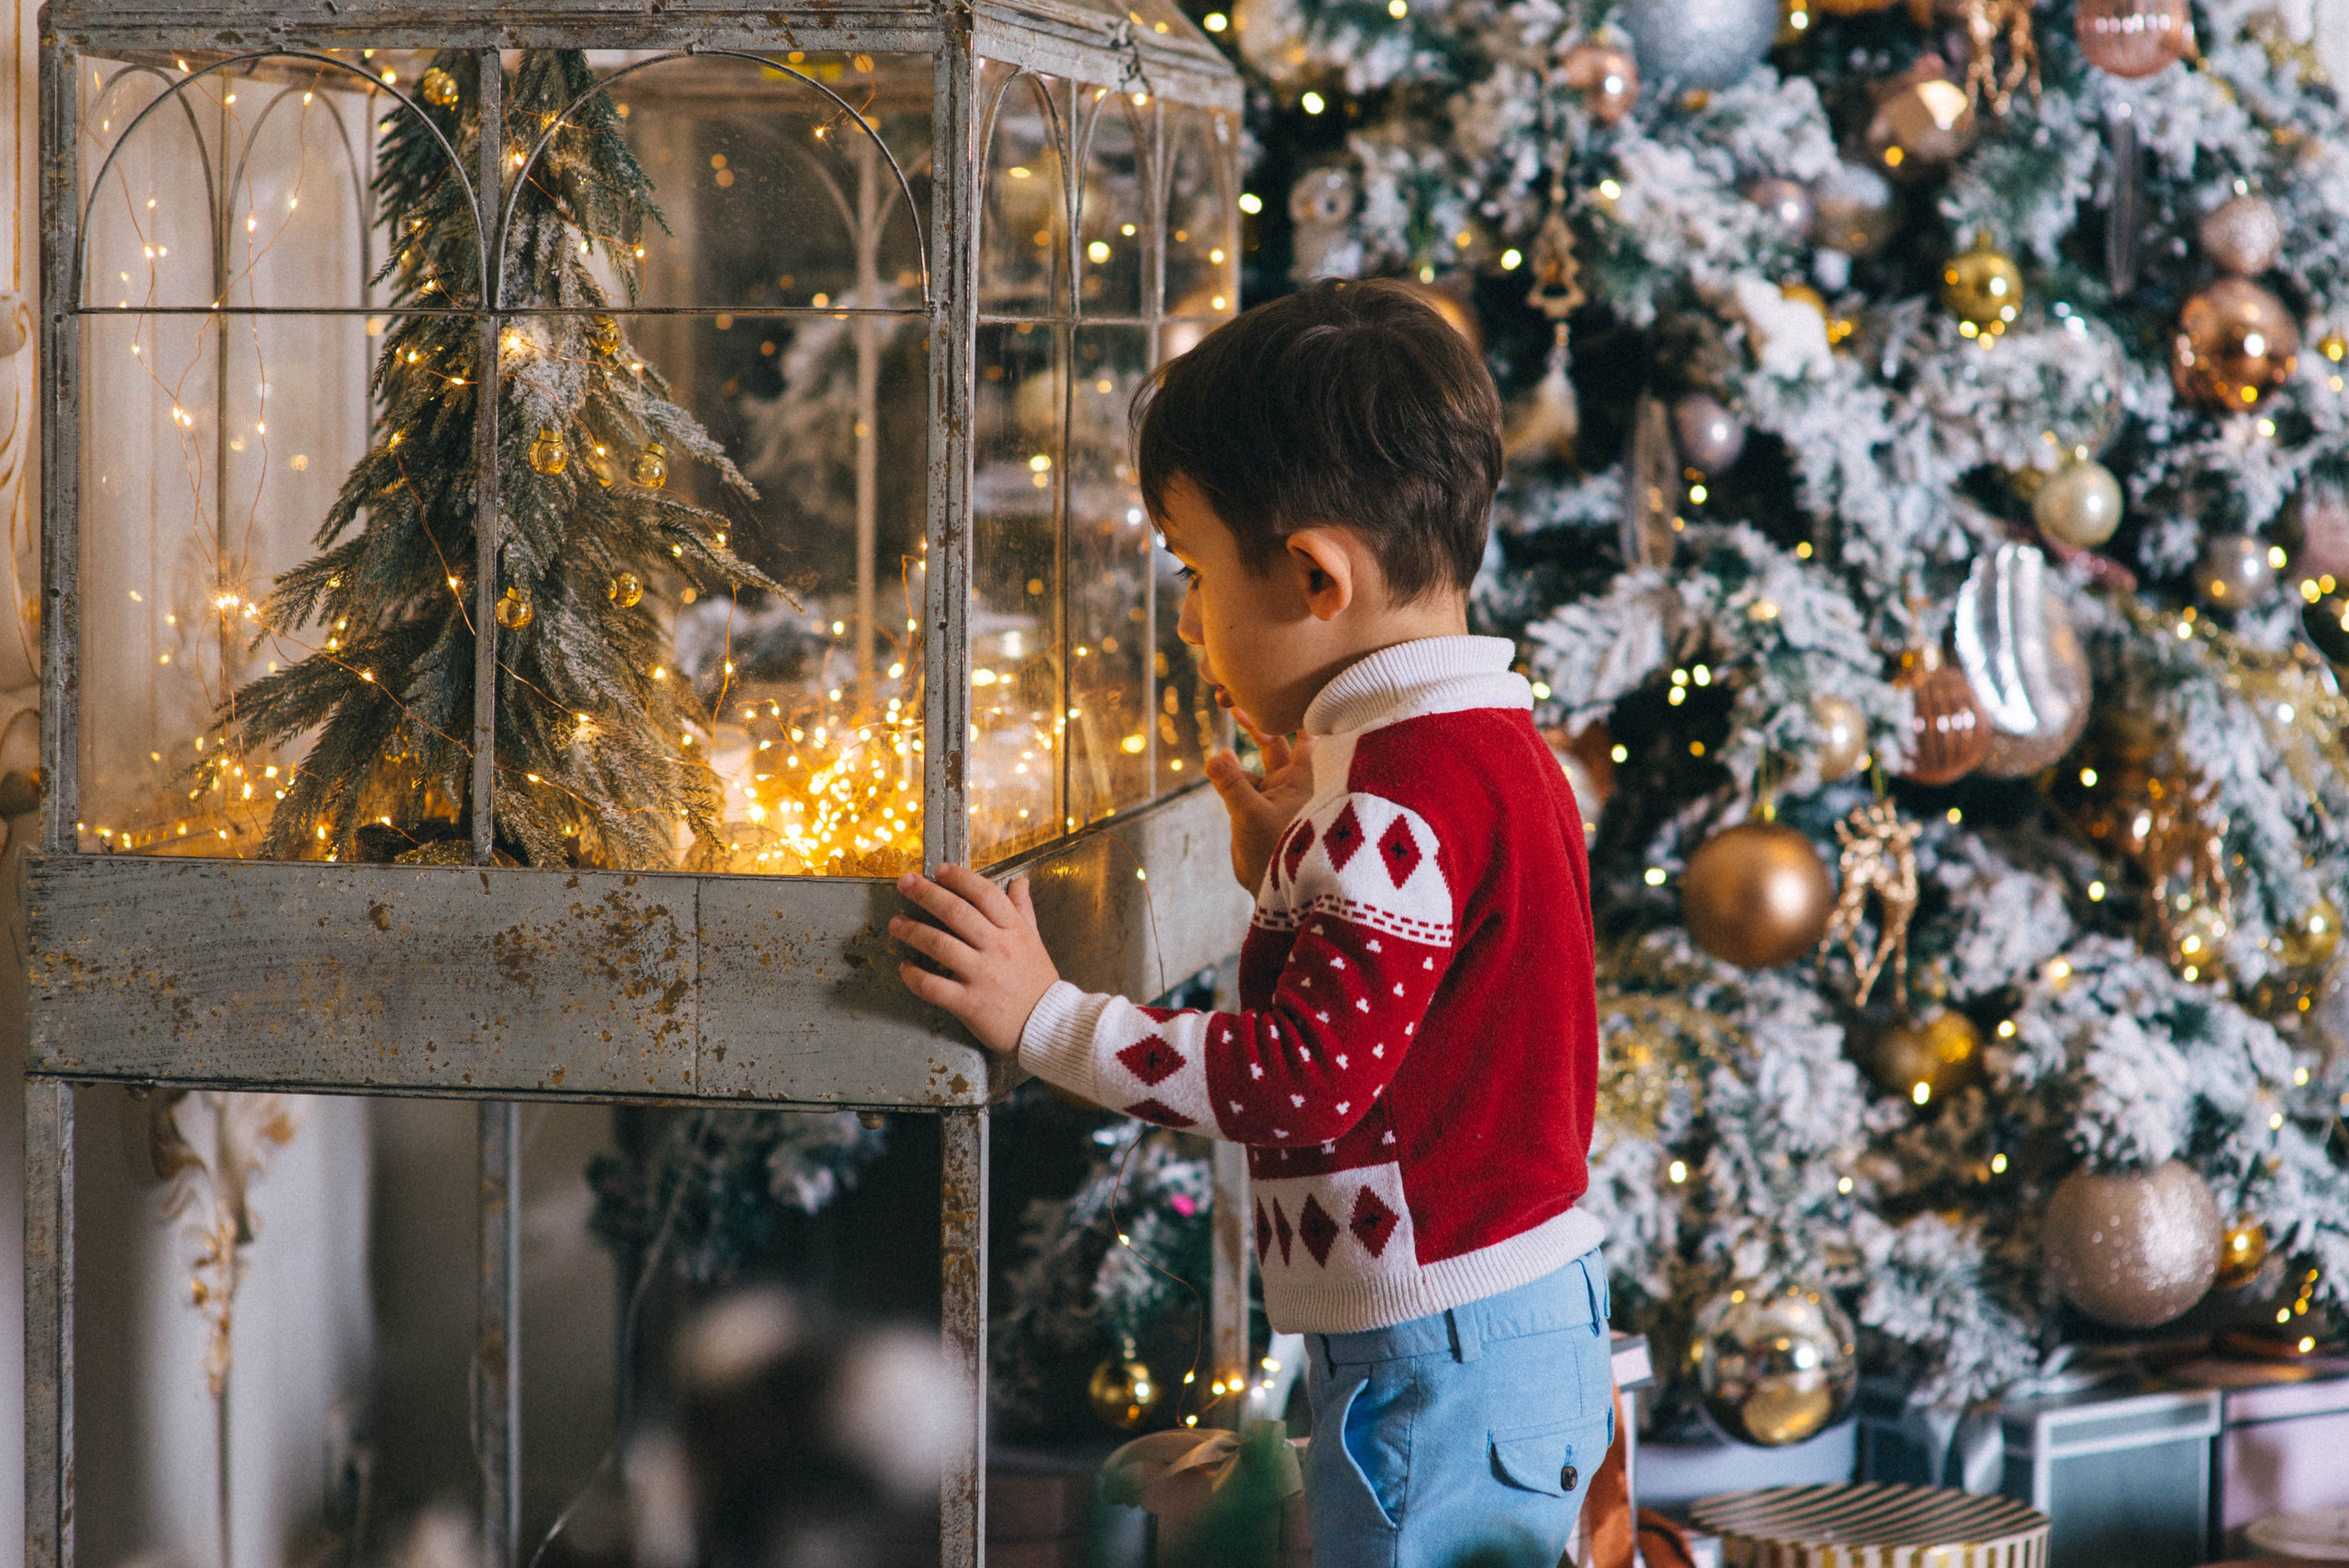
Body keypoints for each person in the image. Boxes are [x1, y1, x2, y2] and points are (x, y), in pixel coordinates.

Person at [890, 278, 1609, 1568]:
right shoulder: (1480, 746)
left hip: (1436, 1363)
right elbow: (1439, 995)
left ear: (1316, 575)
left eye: (1194, 568)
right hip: (1490, 1334)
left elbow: (1302, 1083)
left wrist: (1045, 1017)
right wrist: (1295, 861)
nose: (1185, 614)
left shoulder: (1393, 800)